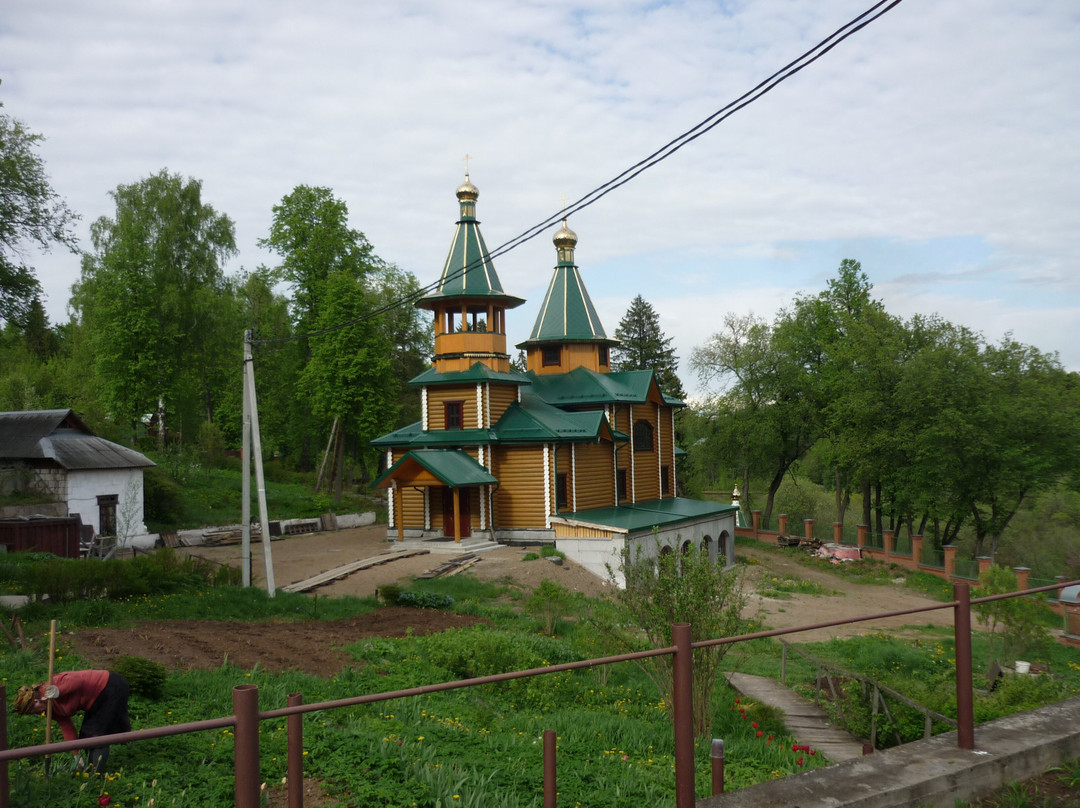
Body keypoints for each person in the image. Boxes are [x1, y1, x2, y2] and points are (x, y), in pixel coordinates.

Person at [13, 670, 131, 772]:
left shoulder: (53, 684)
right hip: (95, 701)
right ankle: (90, 769)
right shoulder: (49, 710)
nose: (38, 714)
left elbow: (78, 681)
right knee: (85, 736)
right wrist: (76, 754)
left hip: (110, 686)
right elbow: (66, 726)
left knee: (96, 735)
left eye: (34, 711)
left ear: (35, 702)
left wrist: (59, 691)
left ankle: (96, 776)